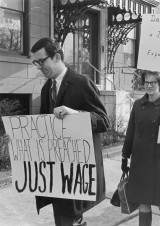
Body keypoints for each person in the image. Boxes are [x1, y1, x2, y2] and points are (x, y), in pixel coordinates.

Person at [31, 37, 110, 226]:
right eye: (36, 63)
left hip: (77, 170)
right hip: (57, 168)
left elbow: (104, 121)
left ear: (57, 56)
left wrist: (76, 114)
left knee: (69, 218)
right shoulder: (46, 89)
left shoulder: (82, 83)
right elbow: (45, 126)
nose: (39, 67)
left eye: (41, 61)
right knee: (64, 217)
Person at [121, 70, 160, 226]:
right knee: (143, 202)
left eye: (153, 83)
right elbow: (131, 132)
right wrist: (125, 156)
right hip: (140, 160)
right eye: (146, 82)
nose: (149, 86)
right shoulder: (138, 104)